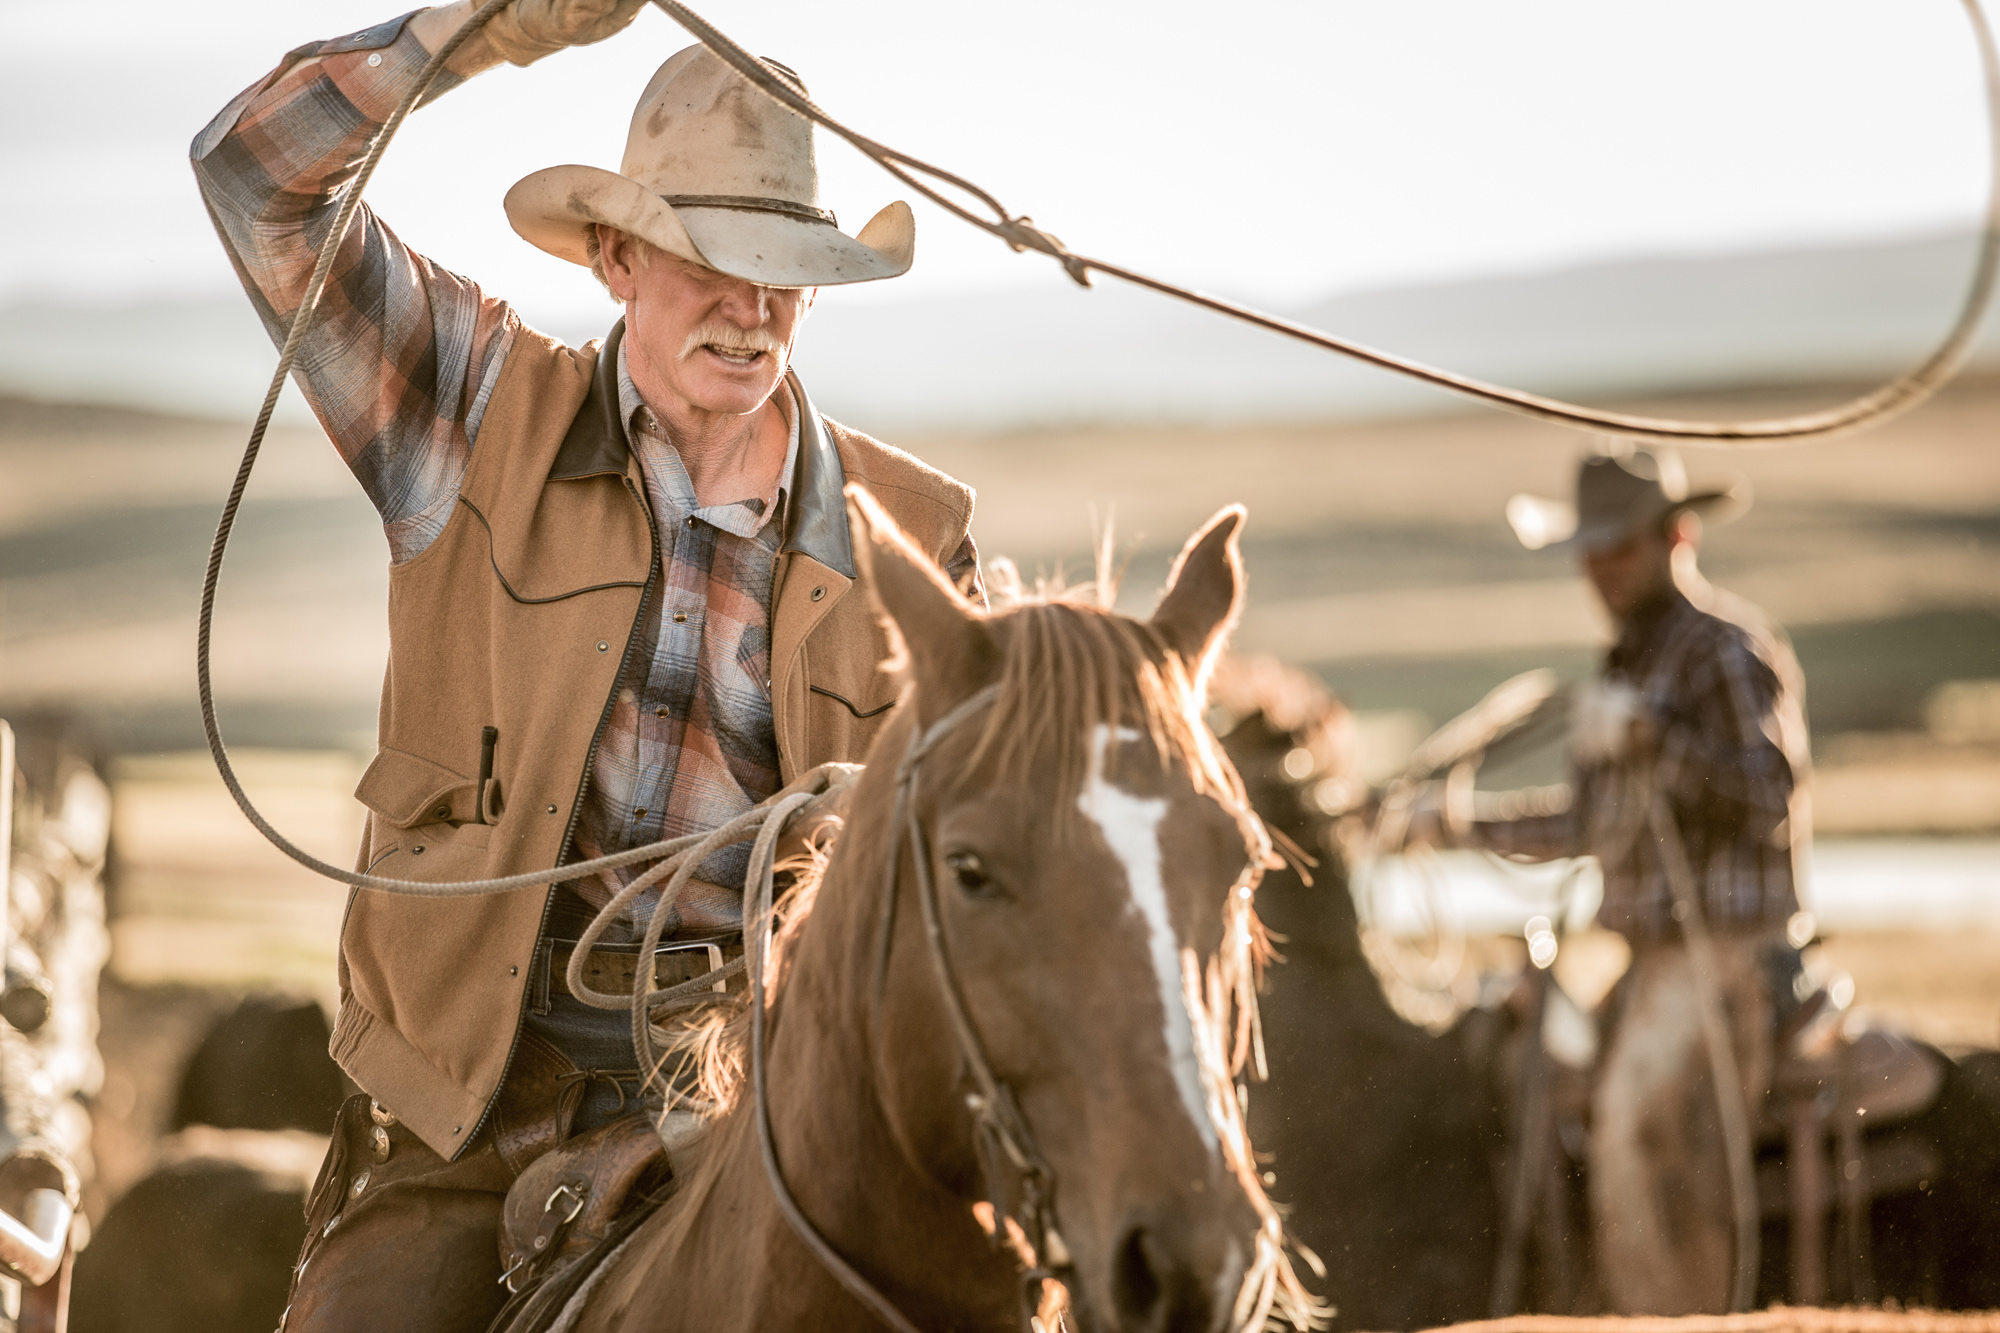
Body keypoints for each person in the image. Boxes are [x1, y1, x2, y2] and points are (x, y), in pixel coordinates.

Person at [192, 3, 982, 1326]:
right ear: (615, 254)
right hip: (470, 1107)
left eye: (785, 265)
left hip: (762, 1113)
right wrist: (470, 32)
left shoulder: (913, 542)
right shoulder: (474, 411)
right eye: (709, 258)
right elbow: (254, 179)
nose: (752, 305)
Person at [1465, 447, 1811, 1313]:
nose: (1599, 570)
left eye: (1616, 548)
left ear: (1676, 536)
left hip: (1724, 956)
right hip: (1646, 959)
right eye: (1590, 552)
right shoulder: (1629, 666)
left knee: (1634, 1135)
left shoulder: (1721, 649)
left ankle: (1671, 1321)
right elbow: (1590, 823)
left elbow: (1767, 792)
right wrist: (1451, 824)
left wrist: (1659, 737)